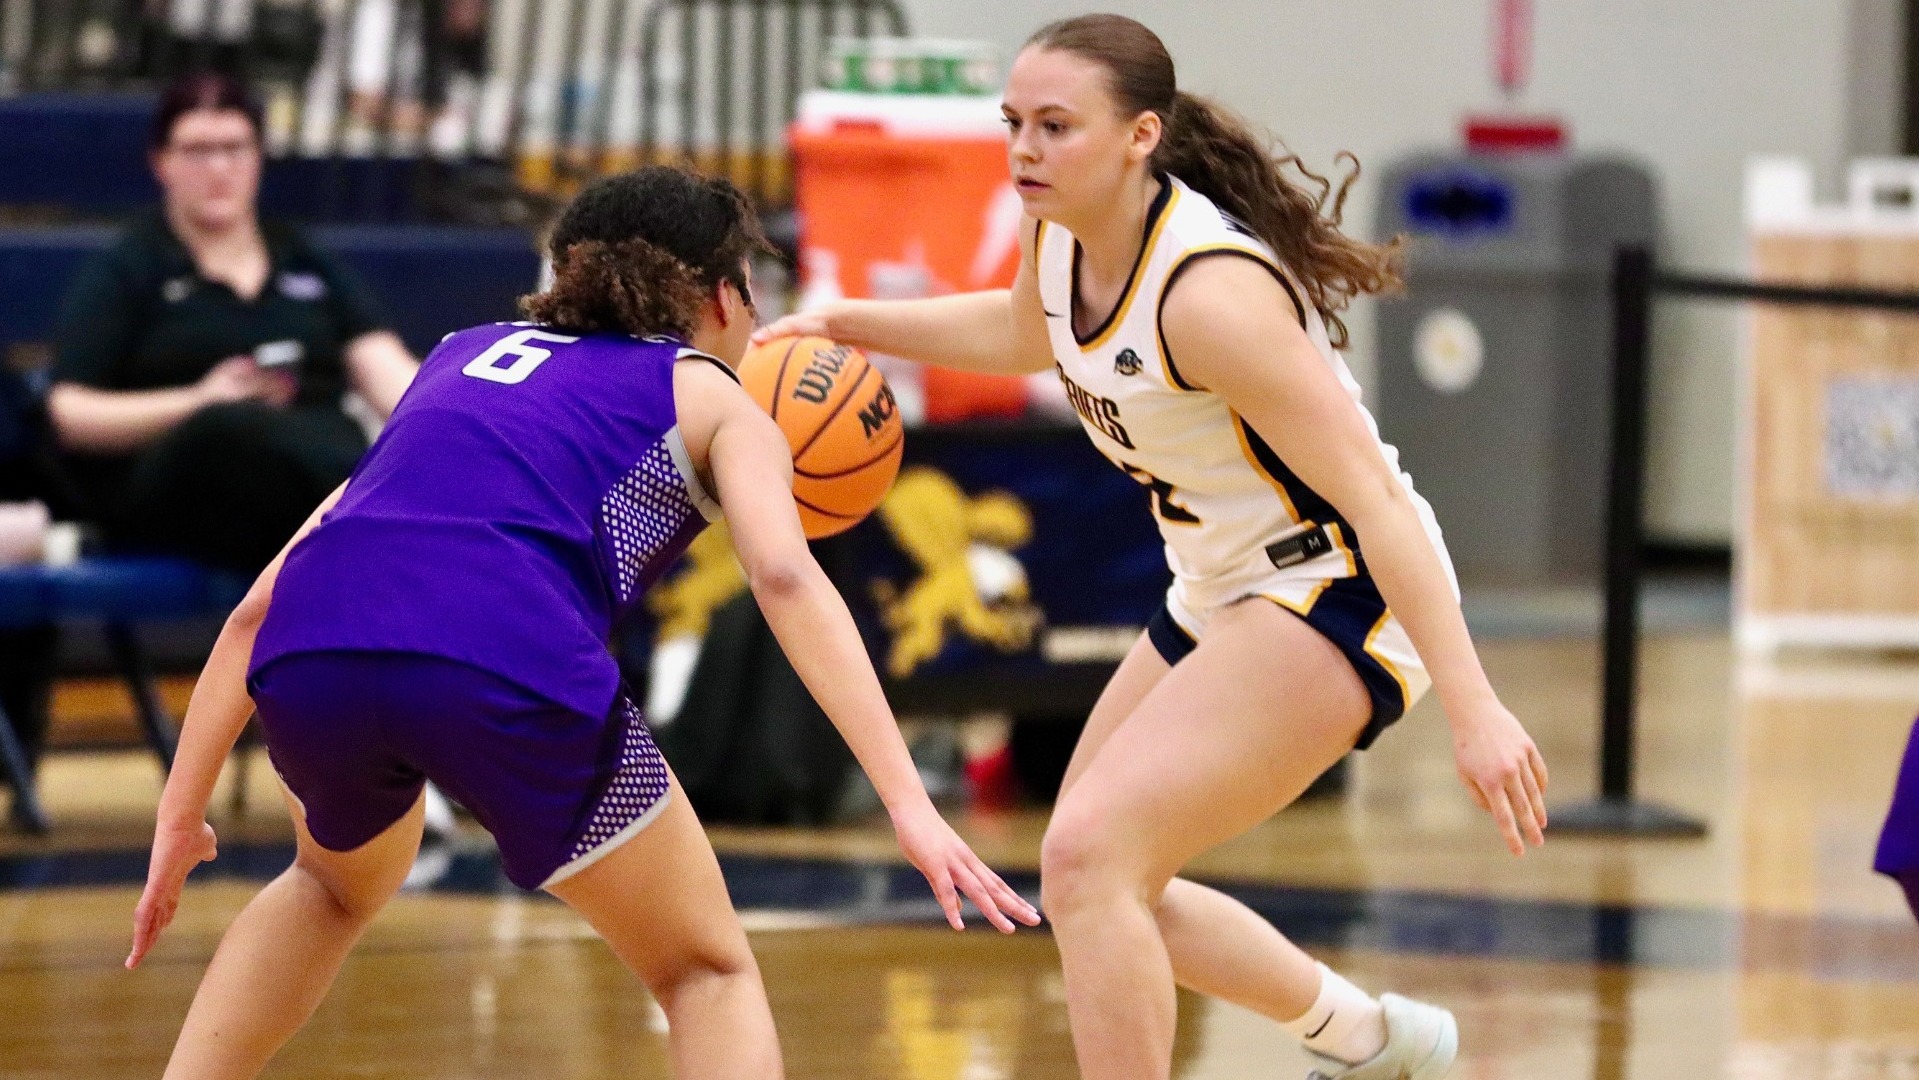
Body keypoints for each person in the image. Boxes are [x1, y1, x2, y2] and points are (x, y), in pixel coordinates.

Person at [754, 14, 1548, 1080]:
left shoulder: (1210, 295)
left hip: (1339, 582)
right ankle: (1371, 1044)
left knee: (1091, 861)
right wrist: (849, 322)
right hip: (1217, 581)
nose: (1023, 150)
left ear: (1137, 137)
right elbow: (1021, 331)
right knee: (1091, 870)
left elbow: (1378, 501)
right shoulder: (1060, 231)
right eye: (1012, 124)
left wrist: (1473, 703)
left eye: (1053, 126)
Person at [124, 165, 1041, 1080]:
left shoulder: (457, 356)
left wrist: (181, 810)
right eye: (753, 292)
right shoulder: (719, 398)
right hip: (502, 657)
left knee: (326, 886)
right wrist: (908, 804)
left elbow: (257, 608)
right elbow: (786, 581)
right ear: (725, 295)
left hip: (316, 649)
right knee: (704, 969)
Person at [48, 71, 419, 575]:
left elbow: (390, 374)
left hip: (304, 476)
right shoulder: (132, 266)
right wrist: (198, 400)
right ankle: (382, 522)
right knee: (228, 428)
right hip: (184, 482)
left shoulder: (301, 257)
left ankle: (371, 521)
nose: (218, 167)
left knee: (389, 448)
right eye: (197, 151)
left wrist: (452, 421)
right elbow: (68, 412)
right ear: (161, 163)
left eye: (235, 147)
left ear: (259, 157)